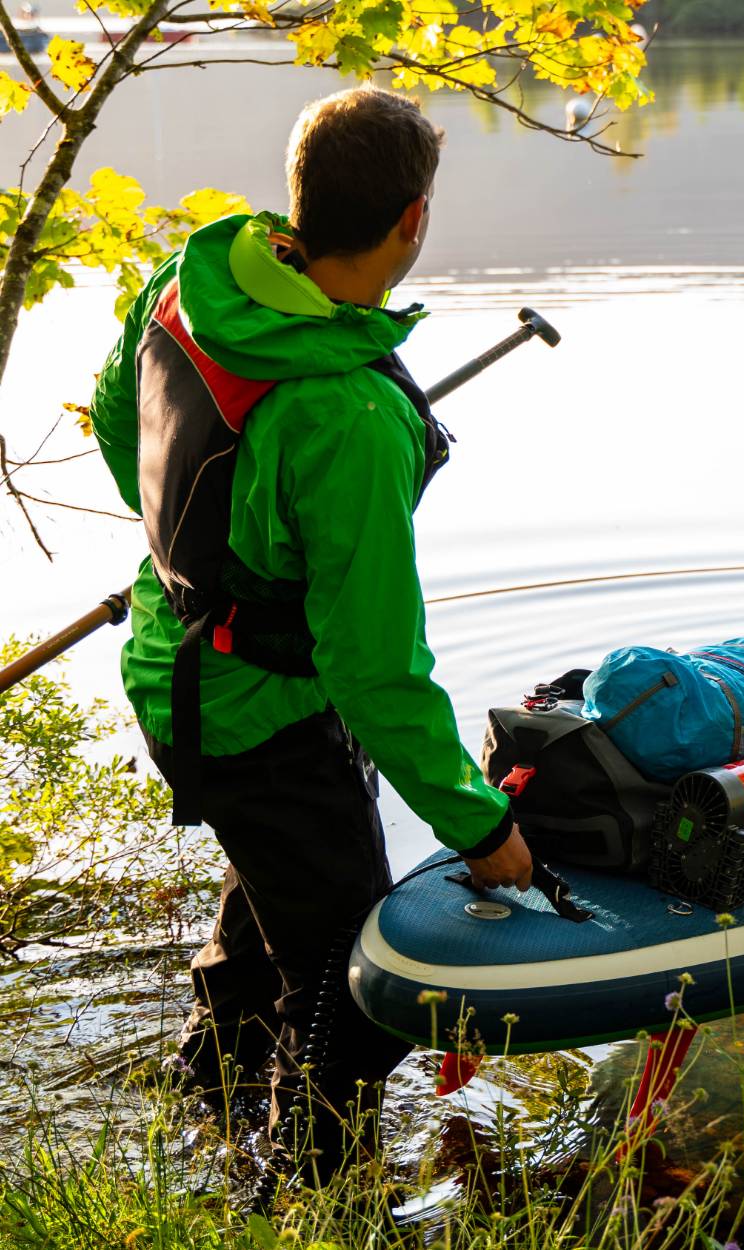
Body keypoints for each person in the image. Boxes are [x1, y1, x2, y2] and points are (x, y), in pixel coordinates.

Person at [90, 85, 533, 1181]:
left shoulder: (192, 281)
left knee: (271, 897)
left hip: (170, 664)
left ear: (300, 190)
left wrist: (199, 561)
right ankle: (315, 1193)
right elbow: (377, 670)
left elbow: (116, 416)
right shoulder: (349, 416)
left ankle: (207, 1101)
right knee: (355, 979)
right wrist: (482, 829)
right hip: (260, 714)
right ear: (411, 221)